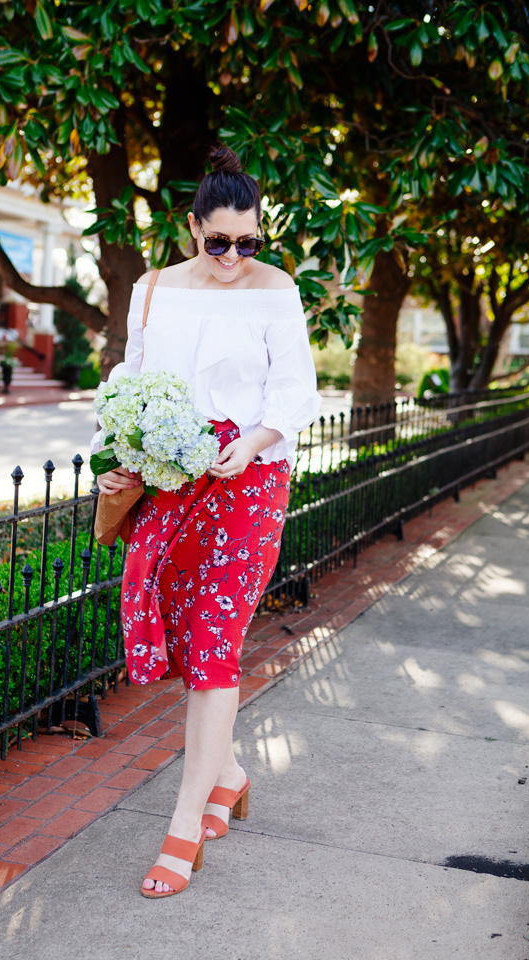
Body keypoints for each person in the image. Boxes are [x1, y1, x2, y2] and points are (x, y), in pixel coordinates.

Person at [92, 145, 320, 898]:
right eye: (217, 241)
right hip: (170, 483)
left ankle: (184, 825)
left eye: (247, 242)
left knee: (216, 645)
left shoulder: (276, 290)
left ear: (261, 234)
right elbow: (130, 381)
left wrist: (252, 443)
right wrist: (122, 455)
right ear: (191, 228)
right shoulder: (154, 290)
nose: (232, 257)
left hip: (248, 484)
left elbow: (294, 390)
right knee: (187, 639)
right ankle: (229, 778)